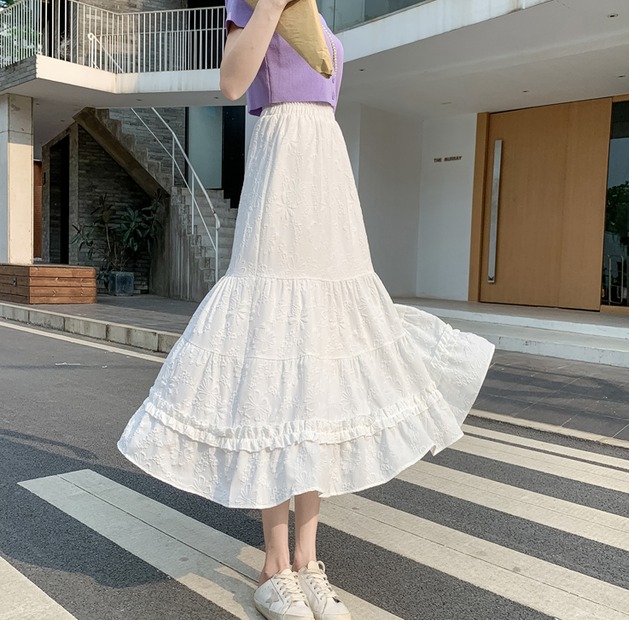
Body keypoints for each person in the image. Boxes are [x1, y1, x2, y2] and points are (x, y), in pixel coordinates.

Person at [117, 1, 495, 619]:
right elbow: (232, 83)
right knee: (273, 351)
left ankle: (307, 559)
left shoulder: (317, 13)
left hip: (326, 174)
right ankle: (274, 565)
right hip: (282, 164)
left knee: (319, 365)